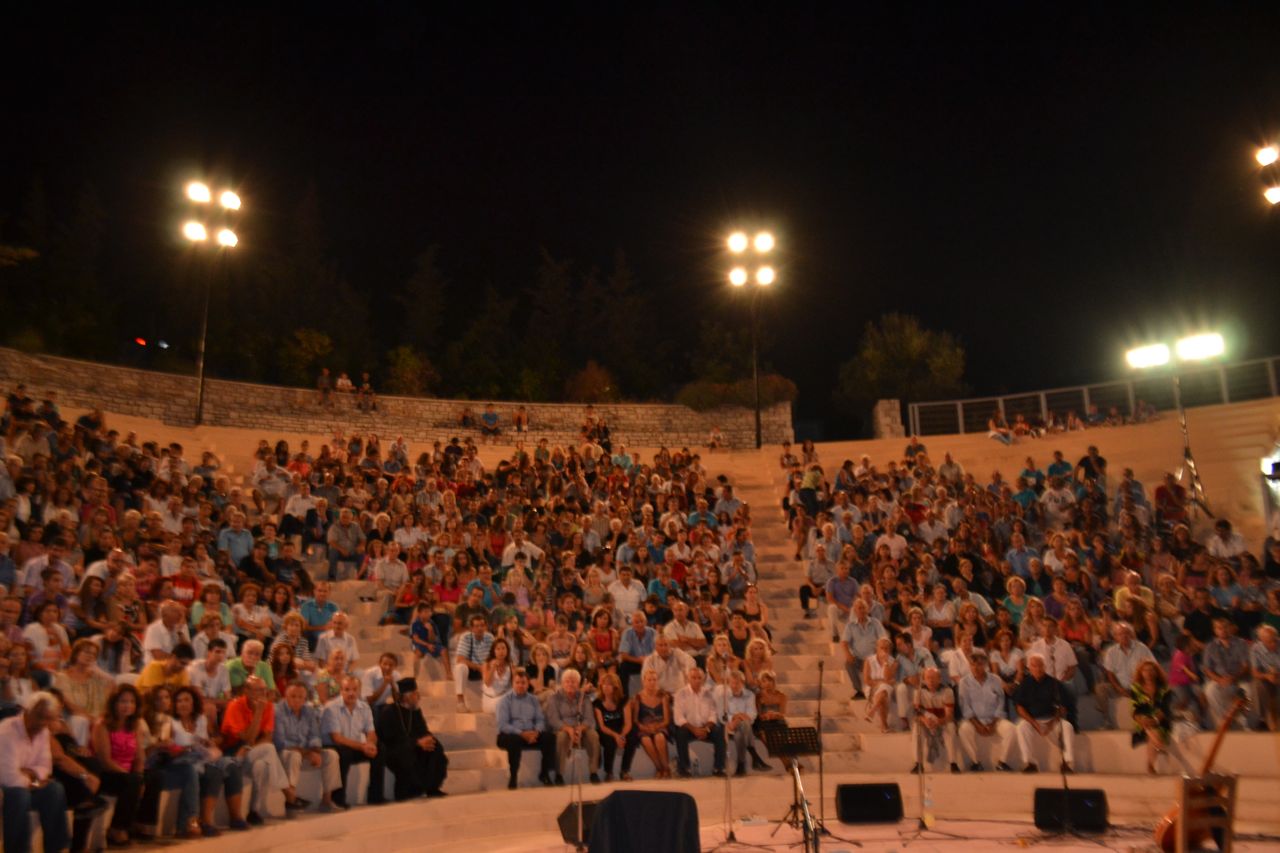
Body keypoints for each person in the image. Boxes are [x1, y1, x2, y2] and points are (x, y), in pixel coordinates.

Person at [170, 685, 248, 835]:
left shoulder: (200, 719)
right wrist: (191, 746)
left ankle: (235, 816)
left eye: (186, 700)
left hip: (203, 756)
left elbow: (207, 743)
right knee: (214, 771)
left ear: (193, 703)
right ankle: (204, 820)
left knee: (231, 765)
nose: (183, 704)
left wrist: (208, 743)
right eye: (179, 701)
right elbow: (173, 748)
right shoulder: (172, 722)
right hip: (185, 759)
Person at [1, 691, 70, 853]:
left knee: (55, 789)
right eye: (39, 716)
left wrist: (30, 774)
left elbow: (46, 767)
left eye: (48, 719)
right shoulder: (6, 732)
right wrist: (34, 781)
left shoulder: (43, 731)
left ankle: (57, 848)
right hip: (5, 788)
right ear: (27, 710)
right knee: (19, 795)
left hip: (25, 784)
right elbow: (9, 777)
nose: (42, 723)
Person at [221, 675, 293, 822]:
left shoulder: (268, 706)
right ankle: (287, 791)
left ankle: (254, 811)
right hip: (233, 755)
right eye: (258, 690)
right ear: (246, 691)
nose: (262, 694)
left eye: (264, 690)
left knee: (261, 765)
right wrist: (259, 712)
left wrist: (249, 747)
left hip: (248, 751)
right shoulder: (235, 706)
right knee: (268, 749)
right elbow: (247, 738)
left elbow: (267, 737)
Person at [374, 677, 448, 799]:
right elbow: (390, 739)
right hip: (394, 749)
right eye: (414, 694)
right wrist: (416, 743)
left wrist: (428, 739)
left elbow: (423, 730)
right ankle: (405, 792)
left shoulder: (415, 711)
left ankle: (432, 788)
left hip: (414, 745)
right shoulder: (389, 712)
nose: (418, 696)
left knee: (436, 748)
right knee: (407, 754)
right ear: (405, 697)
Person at [92, 684, 147, 845]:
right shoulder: (102, 725)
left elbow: (139, 757)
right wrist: (130, 775)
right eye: (123, 701)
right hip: (108, 773)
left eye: (131, 702)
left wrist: (139, 774)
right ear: (114, 703)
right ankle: (117, 828)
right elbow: (105, 760)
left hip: (128, 773)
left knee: (155, 777)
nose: (127, 705)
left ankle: (141, 824)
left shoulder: (135, 725)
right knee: (132, 781)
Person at [274, 682, 341, 812]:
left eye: (301, 697)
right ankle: (291, 800)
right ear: (285, 696)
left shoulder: (309, 711)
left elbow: (315, 736)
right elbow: (280, 742)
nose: (297, 700)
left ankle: (326, 801)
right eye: (293, 696)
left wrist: (315, 751)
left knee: (332, 755)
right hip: (284, 754)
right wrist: (307, 753)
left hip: (305, 753)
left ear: (305, 699)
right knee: (294, 755)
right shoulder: (278, 711)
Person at [321, 675, 385, 807]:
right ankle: (338, 799)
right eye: (347, 689)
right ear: (341, 691)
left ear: (359, 690)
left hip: (354, 746)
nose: (351, 693)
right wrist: (363, 747)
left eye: (355, 689)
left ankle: (375, 796)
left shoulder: (364, 707)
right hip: (333, 746)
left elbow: (371, 732)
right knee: (344, 753)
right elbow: (337, 738)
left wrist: (370, 744)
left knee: (380, 749)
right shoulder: (331, 708)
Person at [495, 670, 558, 789]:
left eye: (523, 683)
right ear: (513, 684)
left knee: (550, 738)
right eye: (517, 682)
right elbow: (503, 725)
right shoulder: (504, 701)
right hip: (510, 734)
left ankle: (544, 774)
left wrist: (536, 732)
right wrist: (522, 733)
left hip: (531, 734)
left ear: (528, 684)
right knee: (514, 740)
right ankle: (513, 777)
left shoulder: (533, 700)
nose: (520, 685)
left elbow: (540, 719)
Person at [1013, 654, 1074, 773]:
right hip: (1033, 721)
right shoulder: (1025, 684)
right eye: (1034, 666)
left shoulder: (1054, 683)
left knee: (1067, 727)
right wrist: (1034, 724)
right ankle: (1030, 763)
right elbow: (1019, 707)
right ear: (1029, 668)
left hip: (1053, 720)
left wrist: (1051, 724)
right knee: (1021, 727)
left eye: (1040, 665)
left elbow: (1062, 708)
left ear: (1045, 667)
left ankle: (1067, 763)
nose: (1038, 669)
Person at [957, 652, 1017, 772]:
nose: (976, 668)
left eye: (979, 665)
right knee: (963, 730)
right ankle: (976, 762)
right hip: (974, 720)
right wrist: (978, 725)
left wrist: (993, 723)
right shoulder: (964, 682)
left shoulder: (995, 679)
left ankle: (1002, 762)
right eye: (972, 665)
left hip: (994, 719)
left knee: (1011, 729)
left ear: (985, 665)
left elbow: (1001, 702)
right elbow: (965, 707)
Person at [546, 669, 601, 784]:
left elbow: (589, 719)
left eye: (573, 681)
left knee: (593, 735)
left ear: (578, 684)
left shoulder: (584, 698)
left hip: (581, 729)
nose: (570, 684)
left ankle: (593, 772)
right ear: (562, 683)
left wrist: (580, 729)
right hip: (562, 729)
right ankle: (559, 774)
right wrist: (569, 729)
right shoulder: (554, 698)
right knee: (562, 737)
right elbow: (553, 720)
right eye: (567, 681)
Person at [672, 666, 725, 778]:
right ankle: (685, 768)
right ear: (688, 679)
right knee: (680, 733)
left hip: (705, 728)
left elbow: (713, 715)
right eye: (693, 677)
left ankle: (718, 768)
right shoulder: (680, 694)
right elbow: (678, 718)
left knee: (720, 731)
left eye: (699, 678)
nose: (696, 680)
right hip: (689, 728)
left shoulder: (709, 694)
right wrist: (694, 730)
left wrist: (705, 729)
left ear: (703, 679)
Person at [1202, 617, 1252, 730]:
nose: (1223, 630)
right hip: (1219, 680)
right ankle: (1227, 723)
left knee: (1247, 690)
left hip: (1239, 678)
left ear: (1230, 628)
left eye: (1225, 627)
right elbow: (1207, 669)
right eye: (1219, 628)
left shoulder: (1241, 643)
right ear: (1215, 630)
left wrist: (1234, 677)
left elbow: (1246, 665)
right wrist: (1219, 679)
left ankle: (1247, 724)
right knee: (1210, 690)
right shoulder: (1210, 646)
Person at [1130, 660, 1176, 774]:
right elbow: (1134, 710)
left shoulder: (1165, 689)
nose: (1148, 673)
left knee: (1152, 731)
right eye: (1145, 670)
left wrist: (1155, 720)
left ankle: (1151, 764)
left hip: (1161, 722)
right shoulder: (1136, 689)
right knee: (1149, 727)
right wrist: (1142, 720)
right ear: (1141, 673)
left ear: (1156, 672)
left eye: (1151, 670)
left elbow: (1165, 709)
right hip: (1142, 722)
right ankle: (1159, 747)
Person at [911, 667, 959, 774]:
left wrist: (938, 722)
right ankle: (918, 764)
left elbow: (949, 715)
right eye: (928, 678)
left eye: (933, 678)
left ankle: (953, 763)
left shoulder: (947, 691)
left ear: (939, 679)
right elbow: (917, 713)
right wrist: (925, 721)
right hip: (926, 722)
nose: (931, 681)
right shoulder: (918, 692)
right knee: (917, 728)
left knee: (951, 727)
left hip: (942, 721)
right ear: (924, 679)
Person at [841, 598, 887, 700]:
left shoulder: (875, 623)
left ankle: (878, 689)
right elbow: (844, 642)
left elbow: (883, 639)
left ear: (867, 609)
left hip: (874, 659)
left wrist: (879, 654)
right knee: (848, 664)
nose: (861, 610)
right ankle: (859, 691)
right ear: (855, 611)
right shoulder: (850, 625)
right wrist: (848, 654)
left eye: (863, 608)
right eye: (859, 608)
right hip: (859, 659)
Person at [630, 669, 672, 779]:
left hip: (660, 725)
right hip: (644, 727)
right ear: (644, 681)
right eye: (649, 680)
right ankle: (659, 768)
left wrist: (657, 726)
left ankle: (666, 768)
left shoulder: (663, 696)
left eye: (654, 680)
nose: (652, 682)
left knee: (659, 737)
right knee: (646, 740)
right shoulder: (638, 697)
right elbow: (635, 720)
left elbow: (667, 720)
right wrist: (644, 727)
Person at [593, 672, 635, 782]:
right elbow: (602, 726)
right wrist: (616, 736)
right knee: (609, 742)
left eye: (609, 684)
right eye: (604, 684)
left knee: (632, 738)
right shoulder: (597, 703)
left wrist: (621, 736)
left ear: (615, 687)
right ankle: (609, 772)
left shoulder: (624, 700)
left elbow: (628, 723)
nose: (606, 687)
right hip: (606, 730)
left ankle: (624, 771)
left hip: (621, 728)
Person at [719, 668, 758, 777]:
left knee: (741, 730)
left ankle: (741, 763)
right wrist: (735, 717)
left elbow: (752, 714)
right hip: (729, 726)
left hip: (744, 726)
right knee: (743, 727)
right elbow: (722, 714)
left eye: (737, 683)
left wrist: (738, 719)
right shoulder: (723, 695)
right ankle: (750, 757)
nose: (734, 686)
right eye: (732, 683)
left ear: (742, 683)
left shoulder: (750, 695)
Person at [454, 614, 494, 712]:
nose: (480, 628)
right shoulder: (466, 637)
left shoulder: (490, 637)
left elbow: (494, 656)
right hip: (472, 669)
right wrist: (478, 667)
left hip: (486, 668)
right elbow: (460, 659)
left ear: (486, 626)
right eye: (477, 626)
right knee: (460, 667)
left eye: (482, 625)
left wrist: (486, 667)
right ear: (471, 628)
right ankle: (460, 702)